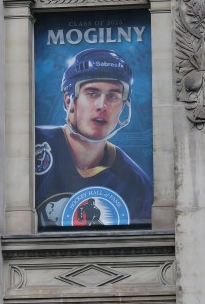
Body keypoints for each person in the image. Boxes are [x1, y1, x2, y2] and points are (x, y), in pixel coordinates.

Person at [35, 48, 153, 227]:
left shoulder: (137, 183)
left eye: (113, 96)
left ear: (123, 106)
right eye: (92, 93)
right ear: (69, 101)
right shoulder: (33, 144)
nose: (102, 105)